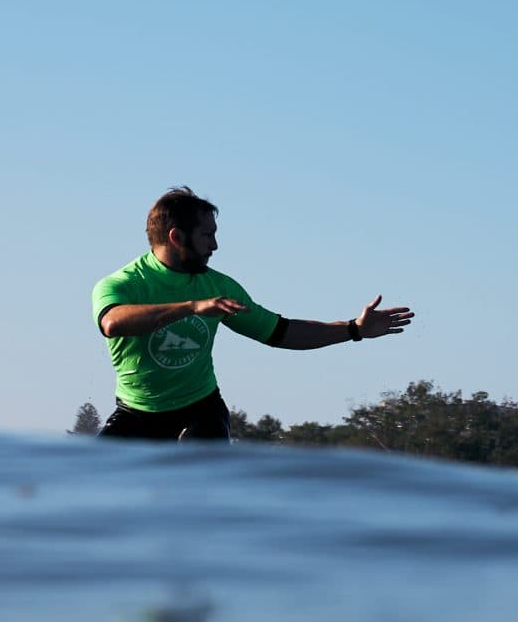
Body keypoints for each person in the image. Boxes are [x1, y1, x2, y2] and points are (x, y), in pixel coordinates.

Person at [91, 187, 413, 441]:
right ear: (177, 237)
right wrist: (192, 307)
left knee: (196, 474)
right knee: (88, 485)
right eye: (207, 235)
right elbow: (113, 322)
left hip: (200, 411)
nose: (214, 245)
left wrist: (354, 329)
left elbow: (280, 332)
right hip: (136, 414)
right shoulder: (123, 285)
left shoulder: (219, 286)